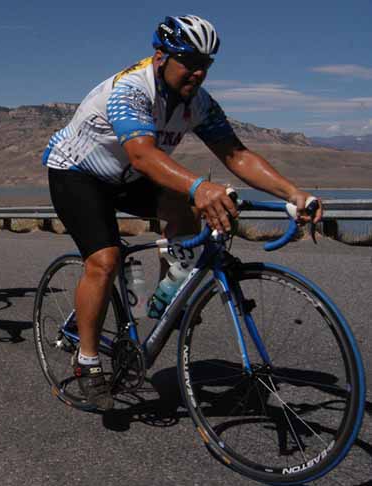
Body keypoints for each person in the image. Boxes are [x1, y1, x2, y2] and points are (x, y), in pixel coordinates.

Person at [42, 15, 322, 409]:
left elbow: (236, 154)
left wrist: (294, 193)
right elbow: (142, 154)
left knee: (185, 207)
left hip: (128, 176)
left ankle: (168, 288)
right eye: (189, 61)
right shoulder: (130, 90)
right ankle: (87, 360)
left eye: (206, 64)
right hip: (78, 173)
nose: (198, 72)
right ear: (161, 57)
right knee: (104, 261)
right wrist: (200, 186)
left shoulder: (200, 104)